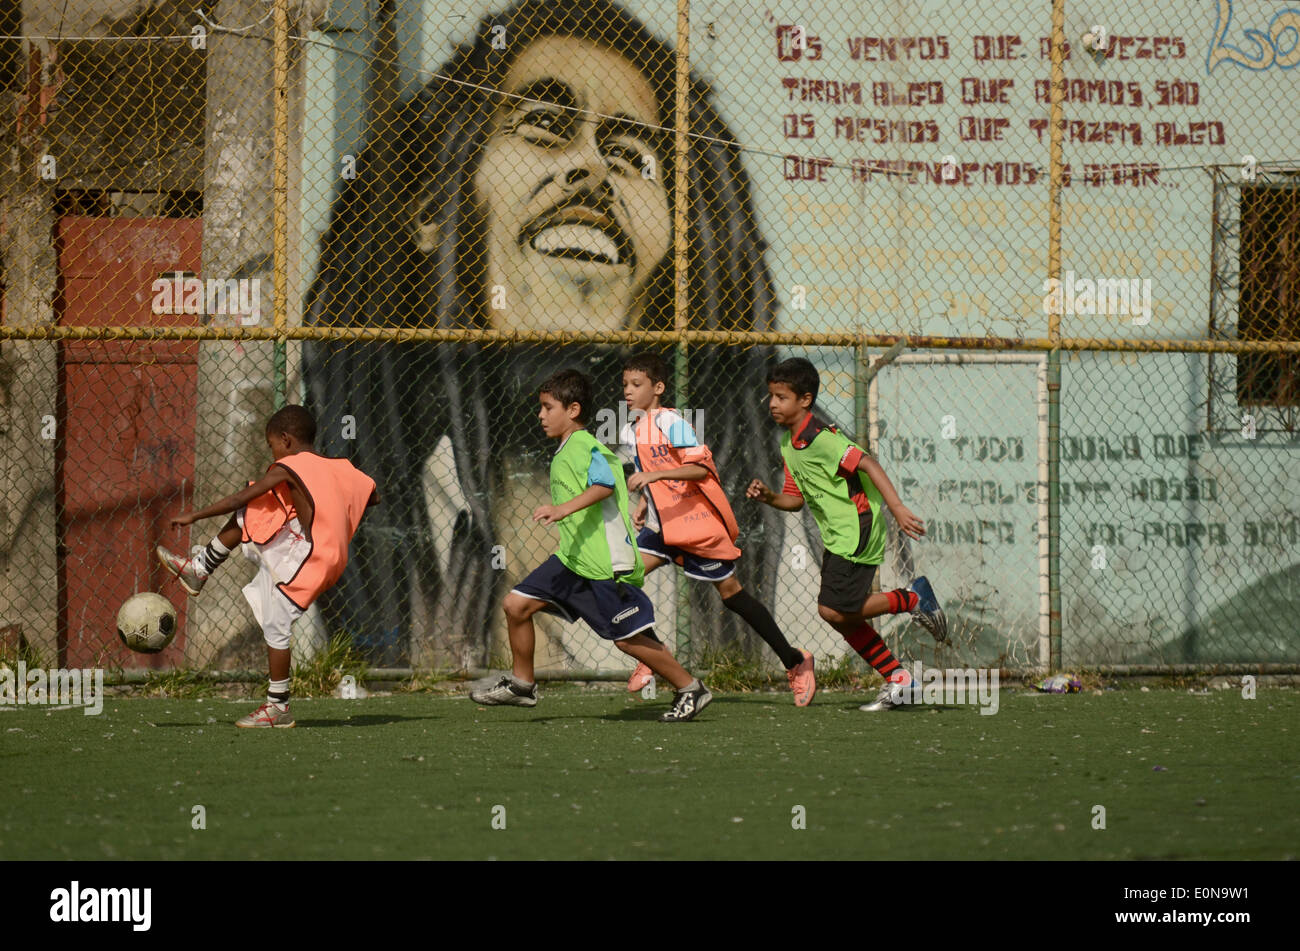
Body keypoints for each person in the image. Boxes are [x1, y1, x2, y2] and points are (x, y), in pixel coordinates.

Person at [302, 0, 782, 669]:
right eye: (543, 125)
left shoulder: (757, 506)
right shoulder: (378, 494)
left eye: (629, 151)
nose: (590, 165)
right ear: (433, 209)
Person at [471, 368, 711, 721]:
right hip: (571, 560)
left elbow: (603, 485)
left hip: (603, 564)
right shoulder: (567, 448)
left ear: (572, 410)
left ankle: (691, 688)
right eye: (540, 407)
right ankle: (523, 685)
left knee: (628, 640)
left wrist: (561, 509)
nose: (540, 415)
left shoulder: (587, 446)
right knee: (516, 605)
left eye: (547, 407)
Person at [156, 405, 378, 727]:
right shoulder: (339, 466)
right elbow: (374, 495)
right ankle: (200, 567)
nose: (272, 451)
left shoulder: (288, 466)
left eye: (272, 444)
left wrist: (195, 515)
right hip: (325, 550)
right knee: (259, 509)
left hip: (313, 555)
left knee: (276, 624)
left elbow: (238, 498)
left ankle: (277, 707)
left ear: (285, 440)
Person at [746, 358, 947, 712]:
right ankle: (899, 679)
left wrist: (897, 508)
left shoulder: (820, 437)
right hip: (838, 536)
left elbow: (867, 462)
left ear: (805, 400)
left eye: (781, 397)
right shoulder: (790, 446)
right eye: (771, 397)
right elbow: (794, 501)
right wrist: (769, 497)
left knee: (835, 610)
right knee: (839, 614)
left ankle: (912, 599)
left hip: (858, 528)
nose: (773, 404)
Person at [619, 351, 816, 704]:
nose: (629, 392)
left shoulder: (672, 422)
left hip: (693, 526)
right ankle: (651, 651)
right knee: (621, 578)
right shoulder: (631, 428)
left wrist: (656, 475)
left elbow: (701, 470)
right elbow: (652, 473)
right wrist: (647, 501)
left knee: (732, 595)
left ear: (658, 387)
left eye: (637, 385)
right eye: (625, 385)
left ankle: (795, 661)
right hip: (660, 528)